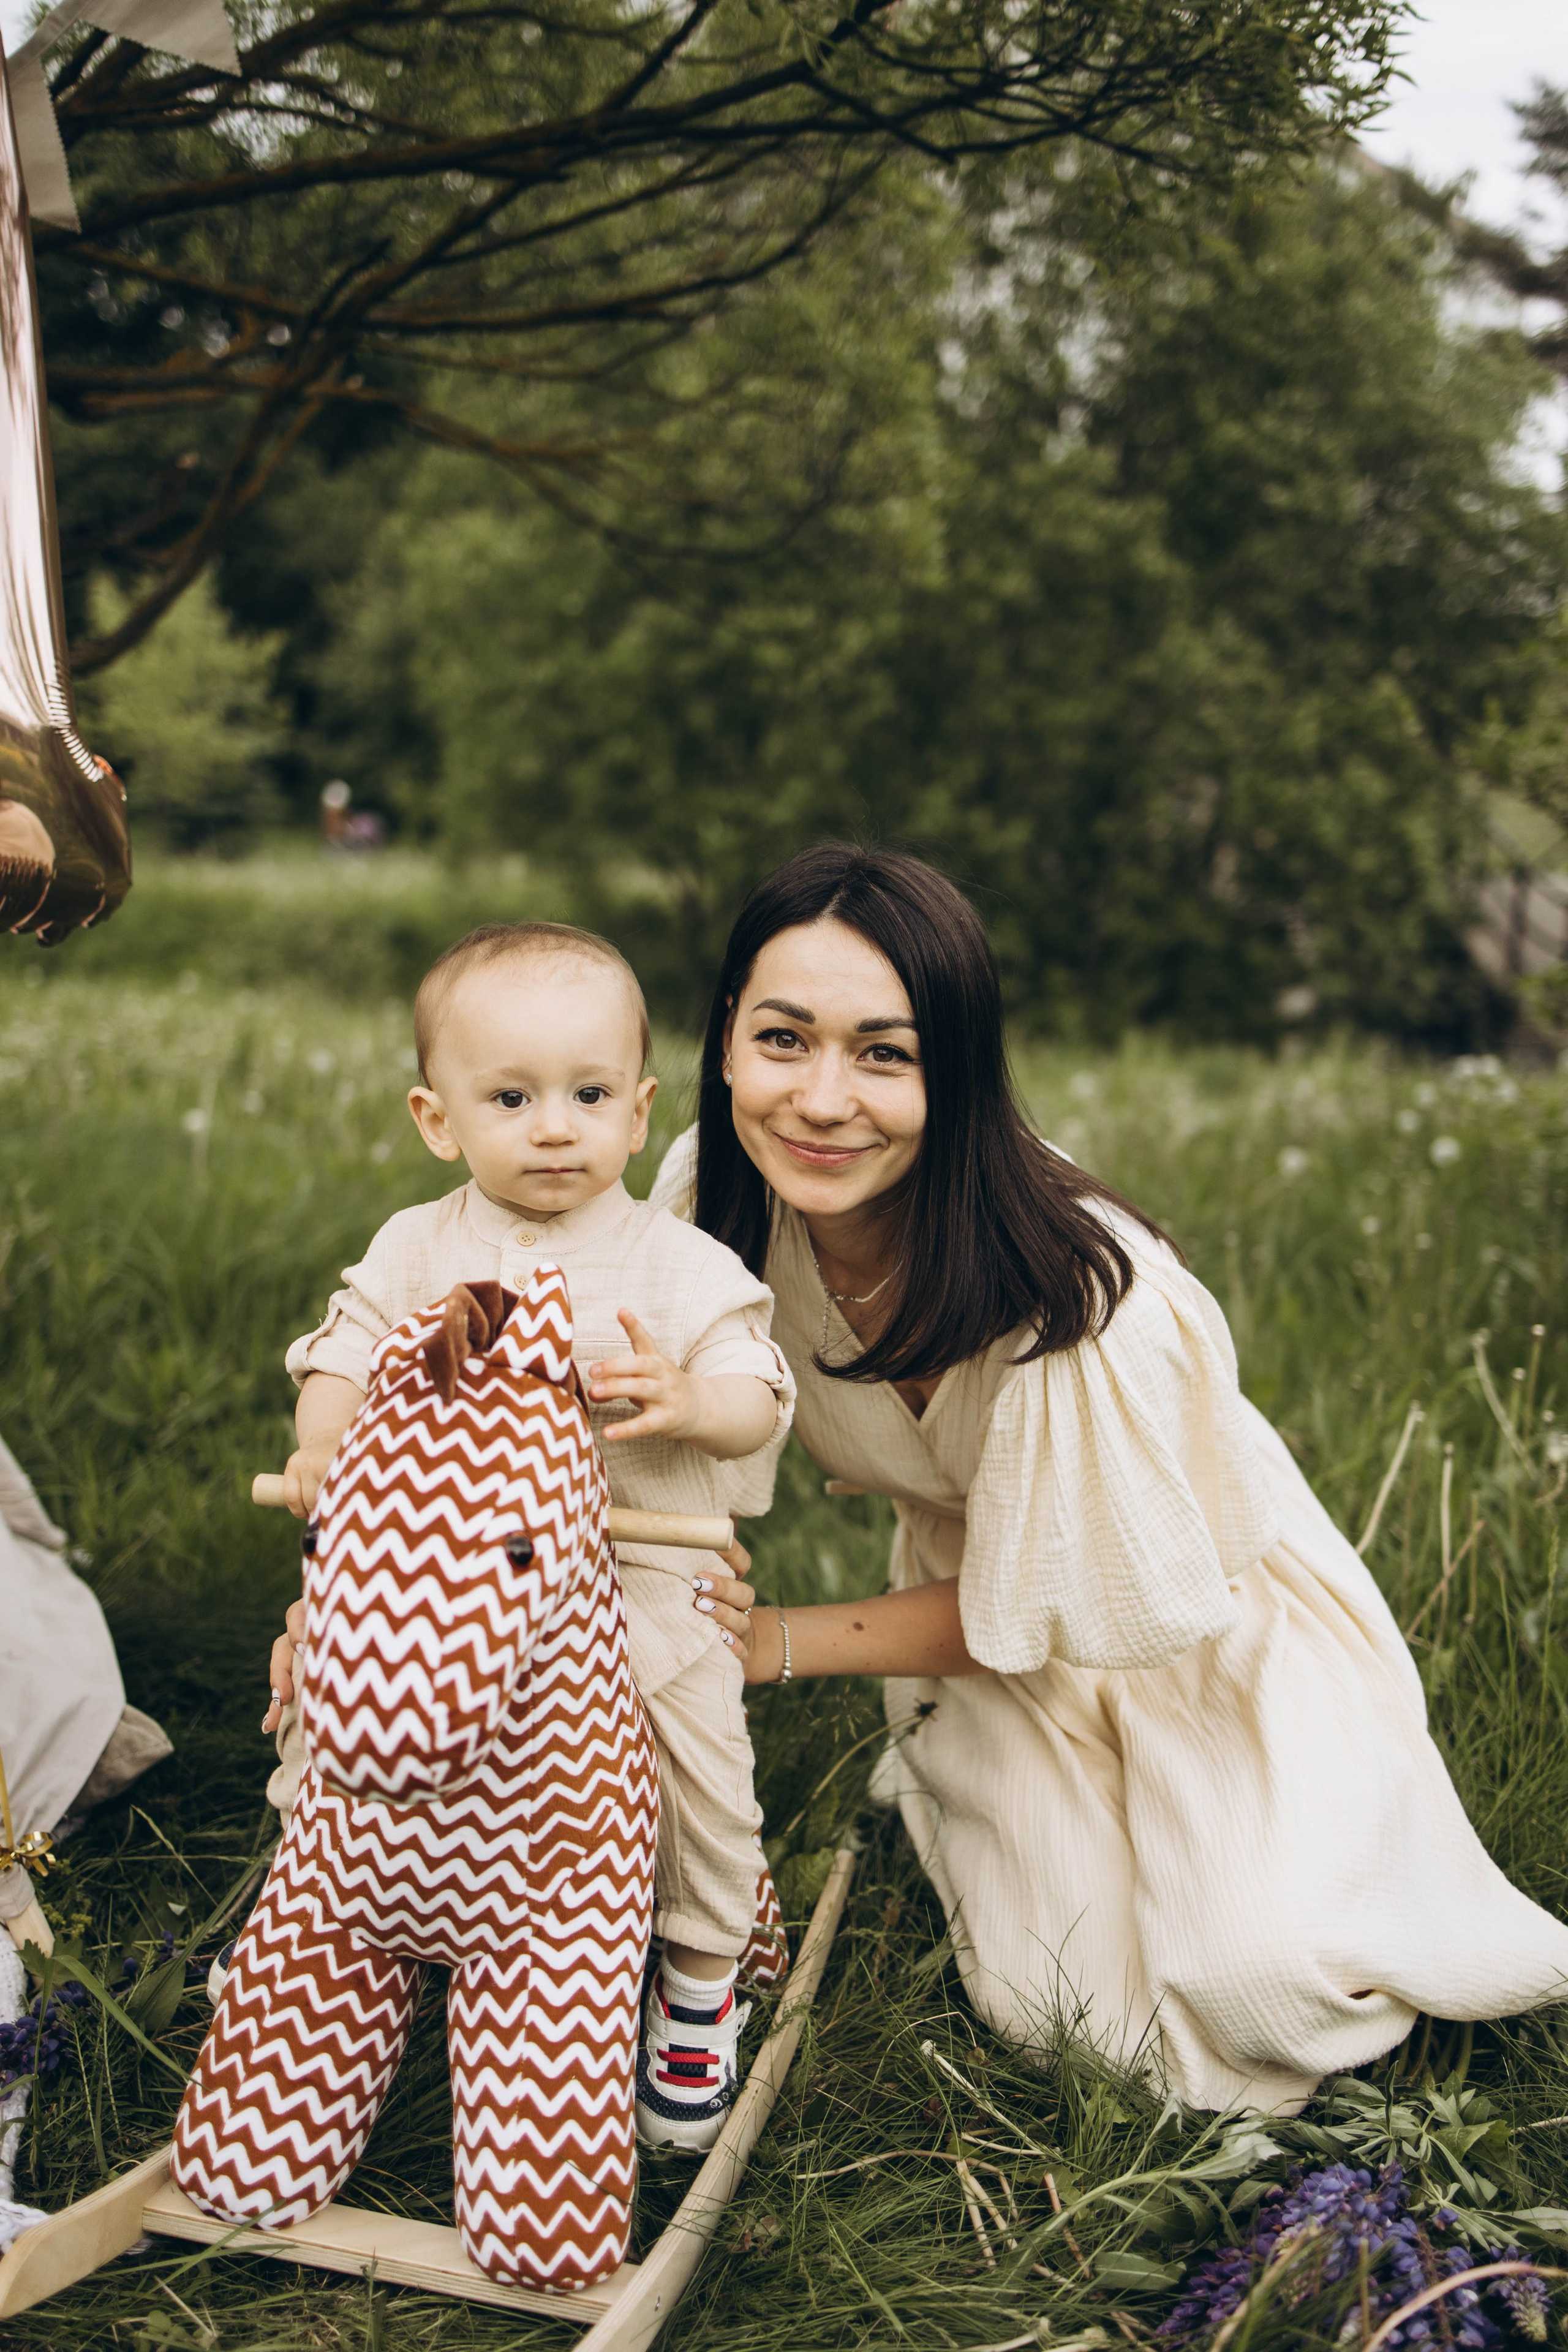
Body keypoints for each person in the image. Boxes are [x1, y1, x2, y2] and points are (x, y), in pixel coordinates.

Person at [643, 844, 1568, 2114]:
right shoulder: (707, 1201)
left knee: (1265, 1988)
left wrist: (774, 1641)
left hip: (1193, 1615)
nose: (817, 1098)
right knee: (1074, 2015)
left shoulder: (1074, 1300)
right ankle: (960, 1787)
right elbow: (649, 1454)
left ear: (955, 1071)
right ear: (725, 1043)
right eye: (782, 1038)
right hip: (975, 1599)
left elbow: (1067, 1604)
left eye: (883, 1053)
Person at [266, 921, 795, 2150]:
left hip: (638, 1570)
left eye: (588, 1094)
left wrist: (689, 1403)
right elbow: (343, 1356)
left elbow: (755, 1385)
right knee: (339, 1706)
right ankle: (344, 1924)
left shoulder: (676, 1262)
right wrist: (322, 1448)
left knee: (693, 1750)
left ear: (640, 1111)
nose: (555, 1126)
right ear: (437, 1118)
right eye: (511, 1097)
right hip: (446, 1578)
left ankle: (698, 1970)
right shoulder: (418, 1246)